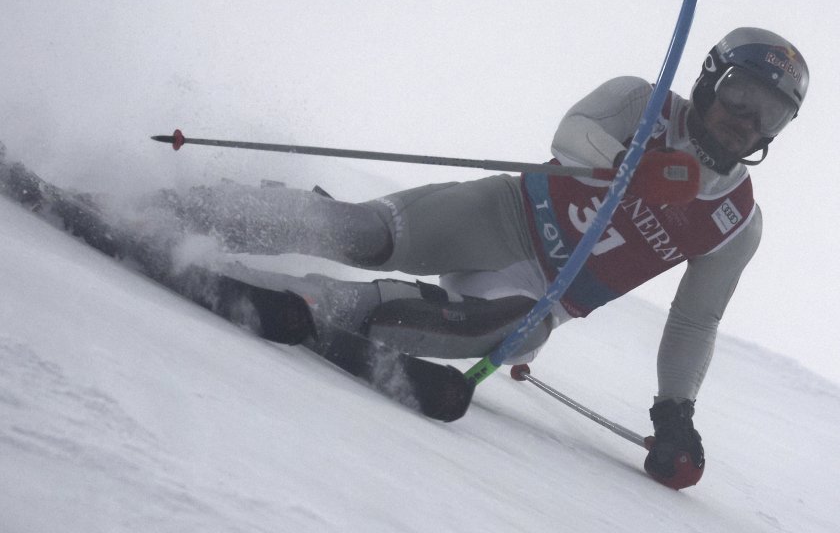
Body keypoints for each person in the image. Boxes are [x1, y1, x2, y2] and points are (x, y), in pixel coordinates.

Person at [13, 27, 806, 489]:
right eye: (740, 93)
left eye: (768, 112)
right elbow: (571, 136)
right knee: (359, 229)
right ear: (709, 81)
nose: (745, 119)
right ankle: (154, 203)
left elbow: (696, 320)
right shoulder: (646, 98)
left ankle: (315, 307)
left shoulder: (737, 221)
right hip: (498, 215)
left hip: (538, 297)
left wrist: (674, 412)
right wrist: (629, 159)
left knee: (496, 325)